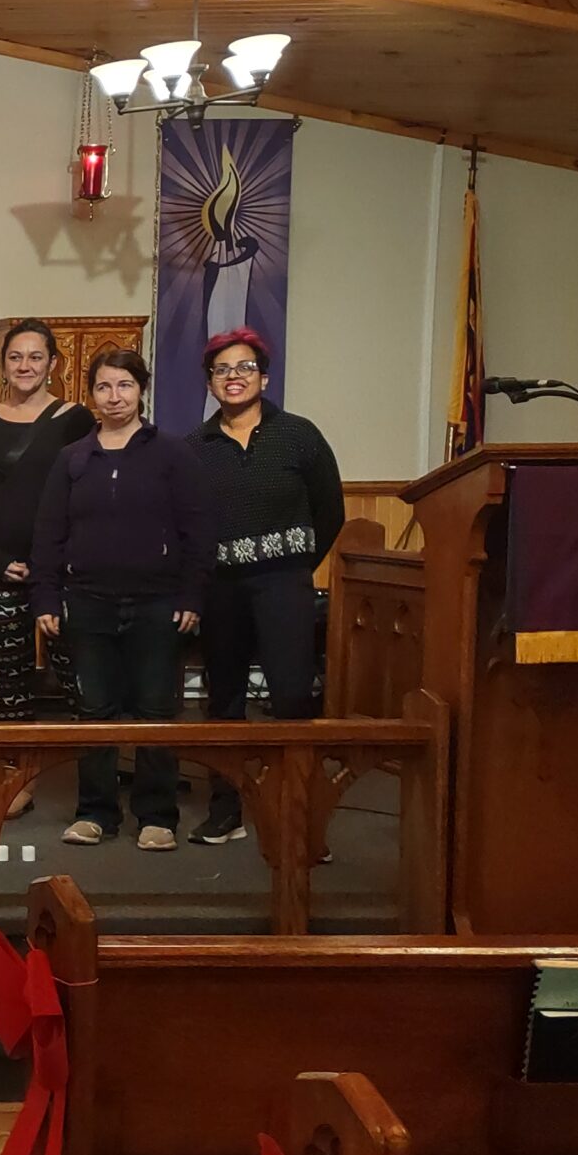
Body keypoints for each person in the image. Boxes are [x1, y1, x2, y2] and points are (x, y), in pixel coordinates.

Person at [30, 349, 213, 851]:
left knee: (157, 710)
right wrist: (46, 596)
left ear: (141, 391)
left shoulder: (172, 453)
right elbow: (49, 533)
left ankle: (157, 817)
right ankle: (95, 813)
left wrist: (191, 594)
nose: (115, 397)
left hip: (159, 604)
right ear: (92, 395)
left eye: (125, 386)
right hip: (87, 603)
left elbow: (197, 529)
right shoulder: (73, 459)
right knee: (93, 711)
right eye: (105, 387)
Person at [185, 327, 345, 845]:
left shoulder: (299, 434)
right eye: (223, 370)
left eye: (245, 367)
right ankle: (226, 810)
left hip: (283, 584)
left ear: (264, 376)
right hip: (221, 589)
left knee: (293, 696)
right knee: (224, 699)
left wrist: (295, 563)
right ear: (210, 383)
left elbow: (331, 510)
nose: (234, 377)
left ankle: (298, 815)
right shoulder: (195, 447)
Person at [0, 320, 94, 732]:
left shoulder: (77, 420)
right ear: (3, 365)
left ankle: (91, 782)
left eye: (36, 357)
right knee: (11, 685)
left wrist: (50, 563)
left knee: (80, 681)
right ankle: (16, 783)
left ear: (52, 363)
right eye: (15, 357)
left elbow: (86, 499)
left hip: (61, 573)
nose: (25, 365)